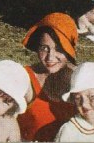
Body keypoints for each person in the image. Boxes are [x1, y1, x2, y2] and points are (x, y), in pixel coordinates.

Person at [17, 13, 78, 142]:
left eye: (59, 49)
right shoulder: (25, 78)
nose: (50, 57)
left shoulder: (79, 79)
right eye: (44, 48)